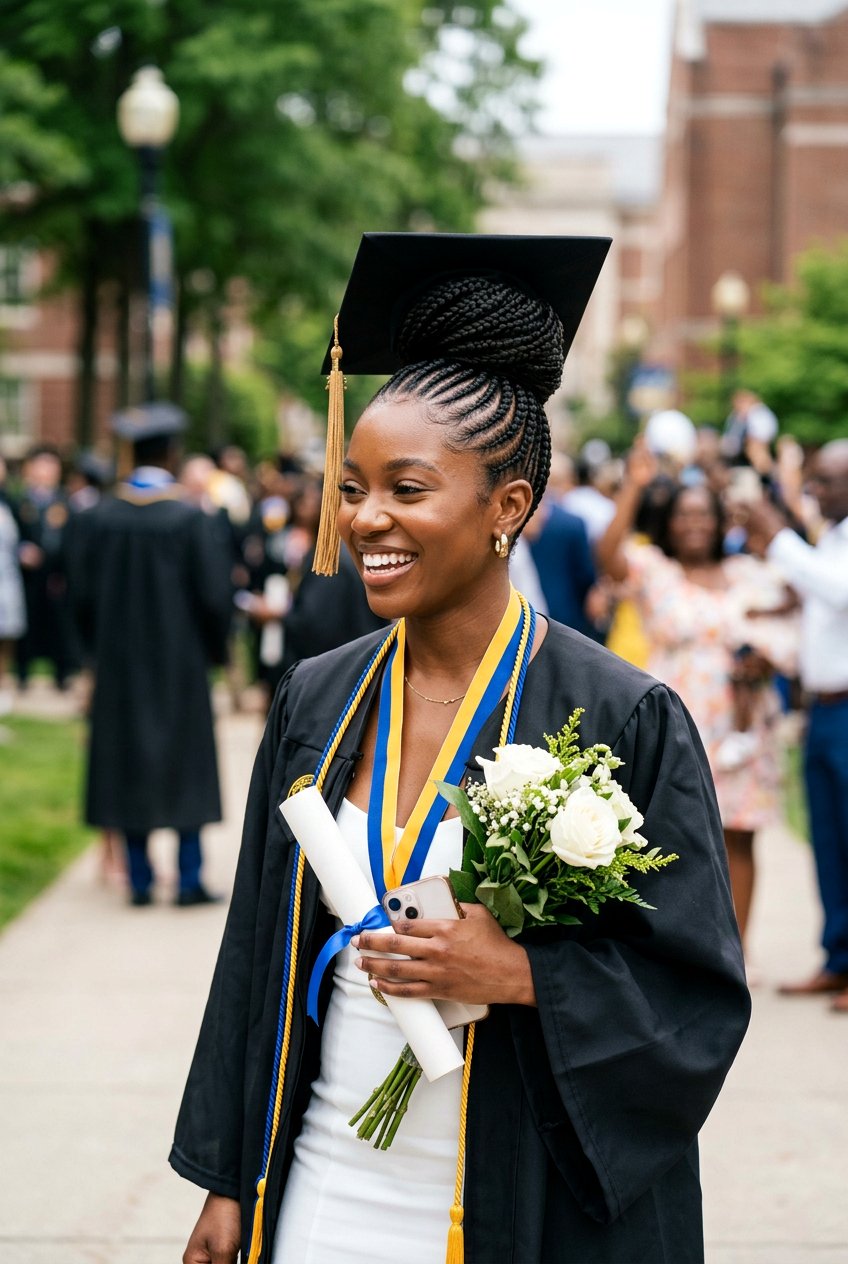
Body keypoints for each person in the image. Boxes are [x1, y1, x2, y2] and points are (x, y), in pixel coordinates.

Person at [171, 234, 749, 1264]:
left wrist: (525, 972)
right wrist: (226, 1178)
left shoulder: (621, 714)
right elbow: (256, 948)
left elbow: (695, 995)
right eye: (351, 487)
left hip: (517, 1199)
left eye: (405, 487)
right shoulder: (320, 695)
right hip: (323, 1179)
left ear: (506, 507)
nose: (364, 518)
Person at [597, 440, 797, 958]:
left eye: (703, 514)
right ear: (669, 521)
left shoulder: (745, 575)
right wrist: (634, 486)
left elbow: (786, 623)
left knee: (740, 836)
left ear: (718, 522)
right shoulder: (654, 570)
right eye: (683, 515)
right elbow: (608, 556)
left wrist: (764, 659)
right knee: (670, 837)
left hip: (737, 725)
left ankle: (737, 953)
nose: (694, 524)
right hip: (678, 721)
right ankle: (678, 952)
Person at [67, 404, 233, 906]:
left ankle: (138, 880)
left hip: (118, 664)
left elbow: (77, 595)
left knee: (128, 761)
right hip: (180, 664)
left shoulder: (97, 518)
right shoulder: (189, 518)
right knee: (186, 763)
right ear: (173, 454)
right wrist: (215, 650)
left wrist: (93, 653)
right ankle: (187, 879)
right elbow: (214, 596)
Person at [745, 439, 848, 1010]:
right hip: (824, 710)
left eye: (828, 481)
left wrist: (777, 535)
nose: (815, 491)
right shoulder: (830, 539)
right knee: (828, 839)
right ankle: (837, 958)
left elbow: (838, 591)